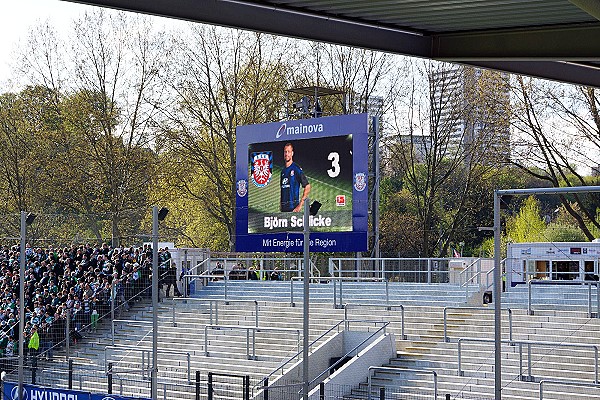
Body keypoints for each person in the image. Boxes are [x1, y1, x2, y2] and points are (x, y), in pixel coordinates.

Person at [280, 143, 311, 212]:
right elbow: (282, 189)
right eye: (285, 152)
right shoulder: (283, 171)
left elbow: (307, 186)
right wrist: (281, 205)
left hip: (293, 209)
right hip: (284, 210)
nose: (287, 154)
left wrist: (300, 205)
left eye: (289, 152)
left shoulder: (296, 169)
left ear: (292, 153)